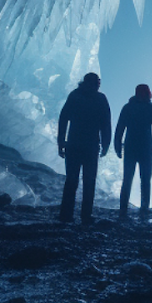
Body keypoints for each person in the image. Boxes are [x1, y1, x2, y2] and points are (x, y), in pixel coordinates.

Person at [56, 72, 111, 224]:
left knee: (74, 180)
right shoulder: (99, 98)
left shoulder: (75, 96)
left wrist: (61, 141)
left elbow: (63, 118)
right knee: (87, 181)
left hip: (77, 144)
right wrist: (106, 143)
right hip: (88, 146)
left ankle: (67, 215)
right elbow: (106, 123)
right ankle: (84, 216)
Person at [113, 83, 152, 220]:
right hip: (142, 148)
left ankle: (129, 210)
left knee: (135, 179)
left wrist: (117, 145)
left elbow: (120, 128)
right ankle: (139, 209)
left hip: (134, 148)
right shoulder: (151, 108)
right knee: (140, 179)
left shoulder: (129, 107)